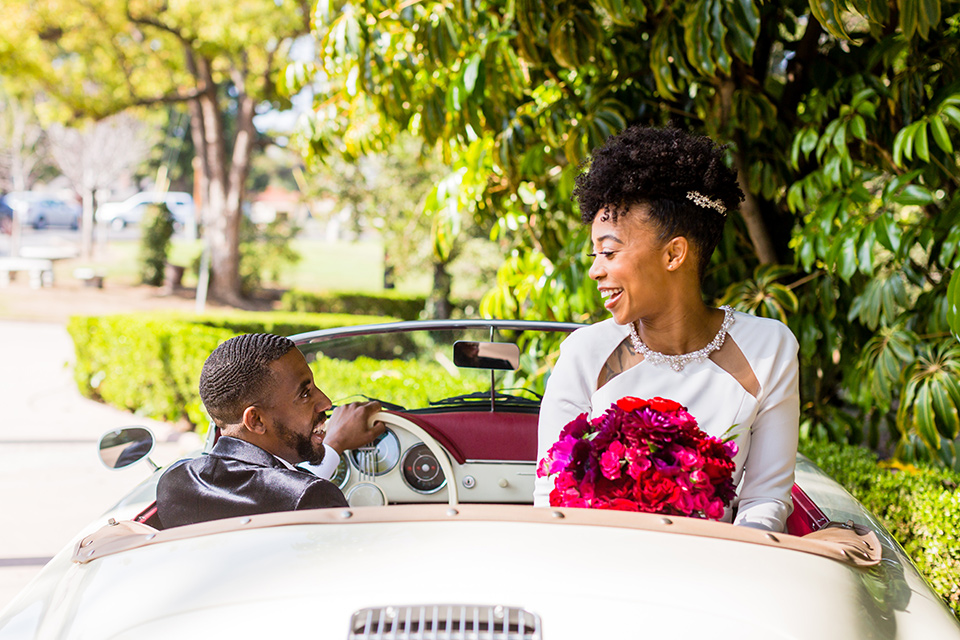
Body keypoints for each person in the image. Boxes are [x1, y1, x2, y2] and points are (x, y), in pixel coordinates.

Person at [534, 126, 800, 532]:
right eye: (594, 253)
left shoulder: (769, 348)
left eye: (608, 251)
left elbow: (764, 500)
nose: (594, 270)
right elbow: (551, 496)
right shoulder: (584, 353)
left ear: (674, 253)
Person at [156, 333, 385, 529]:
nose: (326, 402)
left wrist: (333, 446)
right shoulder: (311, 497)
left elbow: (272, 489)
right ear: (255, 420)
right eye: (304, 394)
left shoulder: (174, 483)